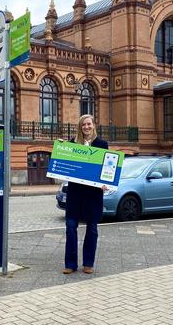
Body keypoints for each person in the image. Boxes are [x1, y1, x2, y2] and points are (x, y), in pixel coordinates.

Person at [63, 114, 109, 275]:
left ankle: (88, 263)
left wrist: (106, 183)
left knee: (92, 228)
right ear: (80, 127)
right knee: (70, 227)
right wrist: (60, 150)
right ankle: (70, 264)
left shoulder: (102, 145)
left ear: (93, 125)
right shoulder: (72, 144)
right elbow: (64, 162)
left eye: (89, 124)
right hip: (75, 193)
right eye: (83, 125)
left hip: (93, 194)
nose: (86, 127)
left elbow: (107, 168)